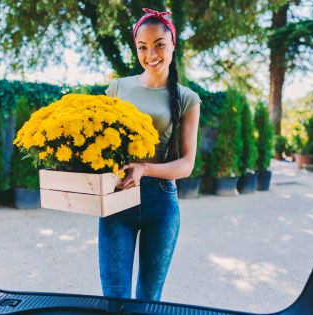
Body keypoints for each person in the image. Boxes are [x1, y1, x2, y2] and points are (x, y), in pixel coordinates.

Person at [99, 8, 201, 301]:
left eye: (159, 45)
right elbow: (100, 143)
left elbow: (186, 165)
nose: (151, 54)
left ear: (173, 45)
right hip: (118, 199)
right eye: (142, 47)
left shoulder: (187, 98)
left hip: (161, 203)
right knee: (114, 299)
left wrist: (144, 168)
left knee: (148, 300)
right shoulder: (119, 88)